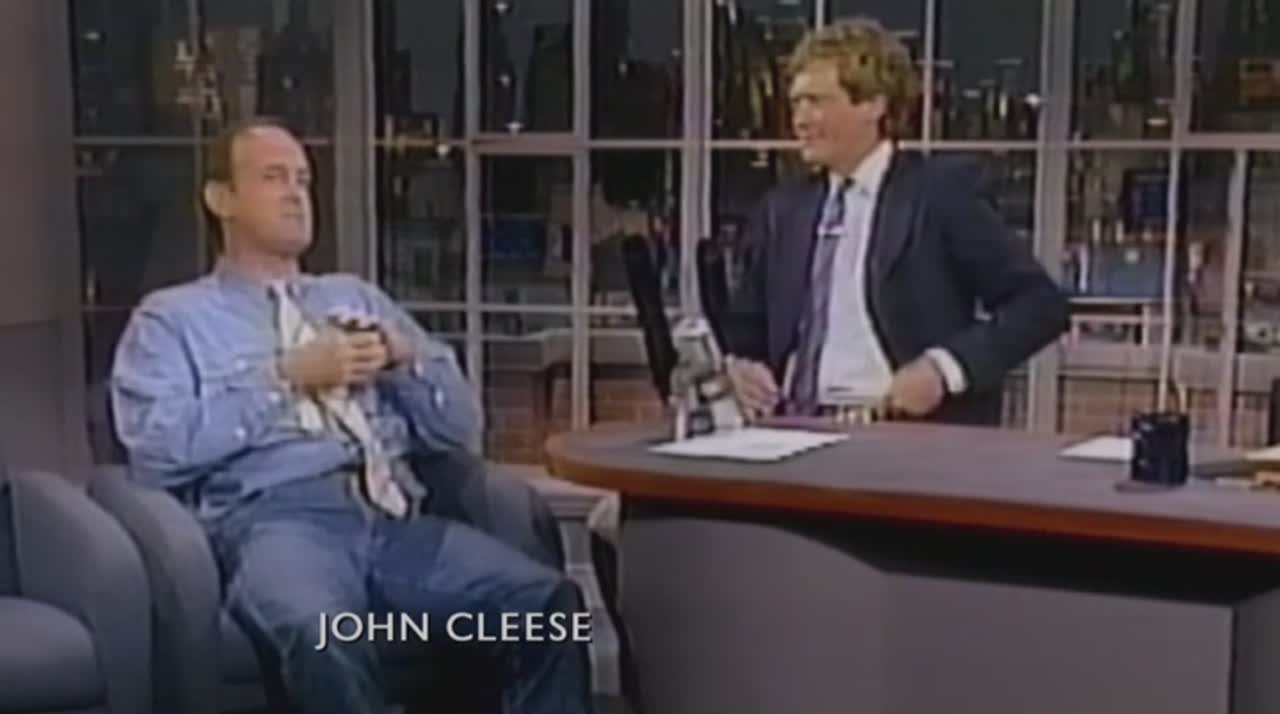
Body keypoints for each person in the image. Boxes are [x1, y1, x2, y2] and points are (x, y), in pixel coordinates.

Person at [109, 116, 593, 714]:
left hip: (392, 519)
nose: (296, 195)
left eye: (303, 180)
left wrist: (404, 359)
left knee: (547, 605)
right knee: (322, 632)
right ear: (220, 199)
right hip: (278, 525)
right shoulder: (173, 319)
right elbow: (157, 451)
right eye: (274, 178)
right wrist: (284, 378)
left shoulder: (354, 298)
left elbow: (460, 429)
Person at [723, 18, 1069, 426]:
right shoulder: (783, 210)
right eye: (796, 103)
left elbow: (1040, 305)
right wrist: (741, 368)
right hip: (792, 428)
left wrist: (942, 370)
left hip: (900, 433)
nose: (800, 119)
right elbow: (744, 334)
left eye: (816, 101)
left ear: (873, 104)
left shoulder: (939, 194)